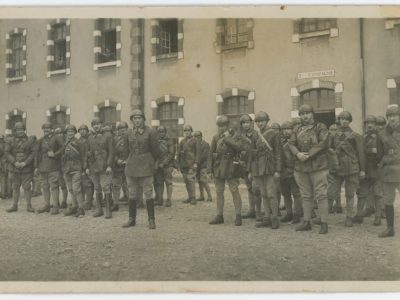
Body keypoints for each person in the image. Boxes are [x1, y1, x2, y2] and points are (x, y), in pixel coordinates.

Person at [289, 104, 329, 234]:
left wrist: (309, 154)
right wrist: (297, 154)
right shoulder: (297, 129)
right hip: (301, 166)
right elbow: (291, 143)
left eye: (307, 113)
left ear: (312, 114)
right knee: (305, 195)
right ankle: (306, 221)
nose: (304, 116)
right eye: (302, 114)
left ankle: (324, 223)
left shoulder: (321, 127)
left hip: (318, 165)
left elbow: (323, 143)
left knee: (321, 195)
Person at [122, 109, 160, 229]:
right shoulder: (128, 133)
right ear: (132, 120)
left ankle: (151, 220)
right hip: (132, 165)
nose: (137, 121)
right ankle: (131, 219)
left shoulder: (151, 132)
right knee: (132, 193)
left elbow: (156, 151)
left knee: (148, 193)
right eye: (135, 118)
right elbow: (125, 151)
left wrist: (152, 163)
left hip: (146, 165)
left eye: (139, 118)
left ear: (143, 119)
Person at [328, 111, 366, 227]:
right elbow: (328, 151)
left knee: (350, 194)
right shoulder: (332, 136)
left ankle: (349, 217)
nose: (344, 121)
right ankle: (323, 217)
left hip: (351, 168)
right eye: (342, 119)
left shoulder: (356, 136)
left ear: (350, 121)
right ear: (339, 120)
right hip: (337, 168)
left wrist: (362, 170)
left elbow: (361, 154)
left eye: (347, 119)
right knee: (330, 193)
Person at [208, 115, 245, 226]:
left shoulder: (235, 136)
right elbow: (210, 154)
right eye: (219, 126)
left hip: (231, 167)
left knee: (234, 190)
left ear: (228, 125)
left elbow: (239, 148)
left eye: (223, 126)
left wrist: (227, 139)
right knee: (219, 192)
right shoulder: (215, 138)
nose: (221, 128)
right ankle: (219, 216)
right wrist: (209, 170)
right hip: (219, 168)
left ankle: (238, 216)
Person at [251, 112, 282, 229]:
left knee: (271, 194)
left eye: (262, 121)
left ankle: (275, 218)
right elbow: (252, 152)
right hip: (259, 167)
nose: (260, 123)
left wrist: (278, 170)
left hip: (270, 167)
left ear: (267, 121)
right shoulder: (256, 135)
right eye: (258, 121)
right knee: (263, 193)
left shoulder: (274, 134)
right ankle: (267, 217)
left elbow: (279, 153)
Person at [353, 115, 383, 226]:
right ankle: (359, 215)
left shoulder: (381, 137)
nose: (369, 125)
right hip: (365, 169)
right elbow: (360, 153)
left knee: (378, 194)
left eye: (372, 123)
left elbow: (384, 153)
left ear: (376, 125)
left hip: (377, 169)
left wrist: (375, 151)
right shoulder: (362, 137)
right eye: (367, 123)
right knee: (361, 193)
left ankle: (378, 217)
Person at [376, 105, 400, 237]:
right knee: (388, 201)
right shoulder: (381, 134)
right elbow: (379, 155)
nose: (392, 118)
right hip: (388, 173)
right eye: (390, 116)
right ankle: (390, 228)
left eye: (395, 115)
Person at [5, 122, 37, 213]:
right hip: (14, 168)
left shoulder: (30, 141)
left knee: (27, 187)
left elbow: (33, 153)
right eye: (18, 130)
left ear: (24, 130)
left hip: (26, 168)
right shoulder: (10, 141)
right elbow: (7, 153)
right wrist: (14, 162)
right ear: (15, 131)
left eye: (22, 129)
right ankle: (14, 205)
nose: (20, 131)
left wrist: (25, 163)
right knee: (15, 187)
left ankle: (29, 205)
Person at [86, 117, 114, 219]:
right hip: (93, 167)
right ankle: (99, 210)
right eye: (94, 124)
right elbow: (88, 153)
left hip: (104, 166)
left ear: (101, 125)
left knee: (106, 187)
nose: (96, 126)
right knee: (97, 188)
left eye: (98, 124)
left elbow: (111, 152)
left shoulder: (108, 136)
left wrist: (109, 165)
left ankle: (108, 210)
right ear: (92, 126)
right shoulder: (89, 138)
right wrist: (87, 167)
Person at [35, 122, 64, 214]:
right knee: (45, 186)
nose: (46, 130)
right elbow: (37, 153)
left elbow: (63, 148)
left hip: (53, 166)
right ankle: (47, 205)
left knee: (54, 186)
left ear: (52, 129)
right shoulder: (40, 140)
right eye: (44, 129)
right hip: (42, 167)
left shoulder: (57, 138)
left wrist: (55, 154)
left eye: (48, 128)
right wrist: (36, 166)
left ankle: (55, 206)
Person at [239, 114, 262, 221]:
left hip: (254, 165)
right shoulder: (240, 135)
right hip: (244, 165)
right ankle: (251, 210)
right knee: (249, 188)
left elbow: (259, 151)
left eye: (247, 122)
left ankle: (258, 212)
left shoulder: (257, 135)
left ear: (251, 123)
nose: (245, 125)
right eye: (243, 123)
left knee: (256, 189)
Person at [61, 125, 87, 217]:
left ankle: (81, 208)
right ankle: (74, 206)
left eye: (72, 131)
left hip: (76, 168)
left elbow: (83, 156)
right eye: (68, 132)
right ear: (66, 133)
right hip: (67, 169)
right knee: (71, 189)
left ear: (75, 132)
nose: (70, 133)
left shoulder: (79, 142)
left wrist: (84, 169)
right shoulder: (65, 142)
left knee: (76, 189)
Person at [280, 121, 303, 224]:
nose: (286, 131)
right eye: (284, 129)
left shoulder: (297, 141)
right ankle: (289, 213)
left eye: (288, 129)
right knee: (285, 194)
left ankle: (297, 214)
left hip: (294, 171)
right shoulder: (280, 142)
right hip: (283, 172)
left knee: (296, 193)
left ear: (292, 129)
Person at [177, 125, 201, 205]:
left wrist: (196, 163)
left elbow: (198, 153)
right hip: (183, 164)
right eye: (185, 131)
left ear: (191, 131)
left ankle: (193, 198)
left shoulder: (195, 140)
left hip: (191, 164)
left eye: (188, 131)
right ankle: (190, 197)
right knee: (186, 181)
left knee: (191, 180)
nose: (187, 132)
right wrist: (178, 164)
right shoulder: (182, 141)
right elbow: (179, 153)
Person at [154, 126, 176, 207]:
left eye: (162, 131)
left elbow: (171, 154)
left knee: (168, 182)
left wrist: (164, 163)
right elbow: (155, 153)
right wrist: (156, 164)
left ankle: (169, 199)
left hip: (168, 165)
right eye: (159, 132)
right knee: (159, 182)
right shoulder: (156, 141)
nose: (161, 133)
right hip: (159, 165)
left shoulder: (170, 141)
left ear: (165, 132)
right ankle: (160, 199)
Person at [111, 121, 129, 211]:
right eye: (120, 129)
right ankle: (115, 203)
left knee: (128, 184)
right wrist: (117, 160)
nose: (122, 131)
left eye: (124, 129)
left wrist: (127, 160)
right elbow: (112, 152)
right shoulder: (114, 140)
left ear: (127, 129)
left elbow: (133, 151)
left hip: (128, 165)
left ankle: (131, 201)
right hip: (117, 166)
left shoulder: (131, 138)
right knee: (116, 185)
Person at [78, 124, 94, 210]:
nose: (82, 131)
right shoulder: (79, 140)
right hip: (81, 165)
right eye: (80, 130)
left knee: (88, 184)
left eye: (84, 129)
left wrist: (87, 166)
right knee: (84, 184)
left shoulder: (90, 139)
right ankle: (86, 201)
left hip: (89, 164)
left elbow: (89, 154)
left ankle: (88, 202)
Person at [327, 123, 342, 214]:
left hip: (339, 167)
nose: (333, 131)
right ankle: (330, 206)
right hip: (330, 167)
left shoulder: (340, 140)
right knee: (331, 187)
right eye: (332, 129)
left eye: (335, 130)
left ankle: (338, 205)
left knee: (337, 187)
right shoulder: (327, 140)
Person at [193, 131, 212, 202]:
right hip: (197, 166)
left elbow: (204, 156)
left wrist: (196, 161)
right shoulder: (195, 145)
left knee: (204, 181)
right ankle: (201, 196)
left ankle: (209, 196)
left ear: (201, 136)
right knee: (199, 181)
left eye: (197, 136)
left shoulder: (205, 144)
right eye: (195, 137)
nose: (196, 138)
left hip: (203, 166)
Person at [55, 127, 69, 209]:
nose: (59, 135)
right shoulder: (53, 143)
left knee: (65, 185)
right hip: (56, 167)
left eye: (60, 133)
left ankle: (64, 201)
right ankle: (56, 202)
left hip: (65, 167)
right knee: (56, 185)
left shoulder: (66, 142)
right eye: (57, 133)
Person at [0, 135, 6, 199]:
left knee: (2, 180)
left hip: (1, 164)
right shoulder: (6, 144)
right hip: (6, 164)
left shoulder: (0, 145)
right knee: (6, 179)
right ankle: (8, 193)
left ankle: (3, 193)